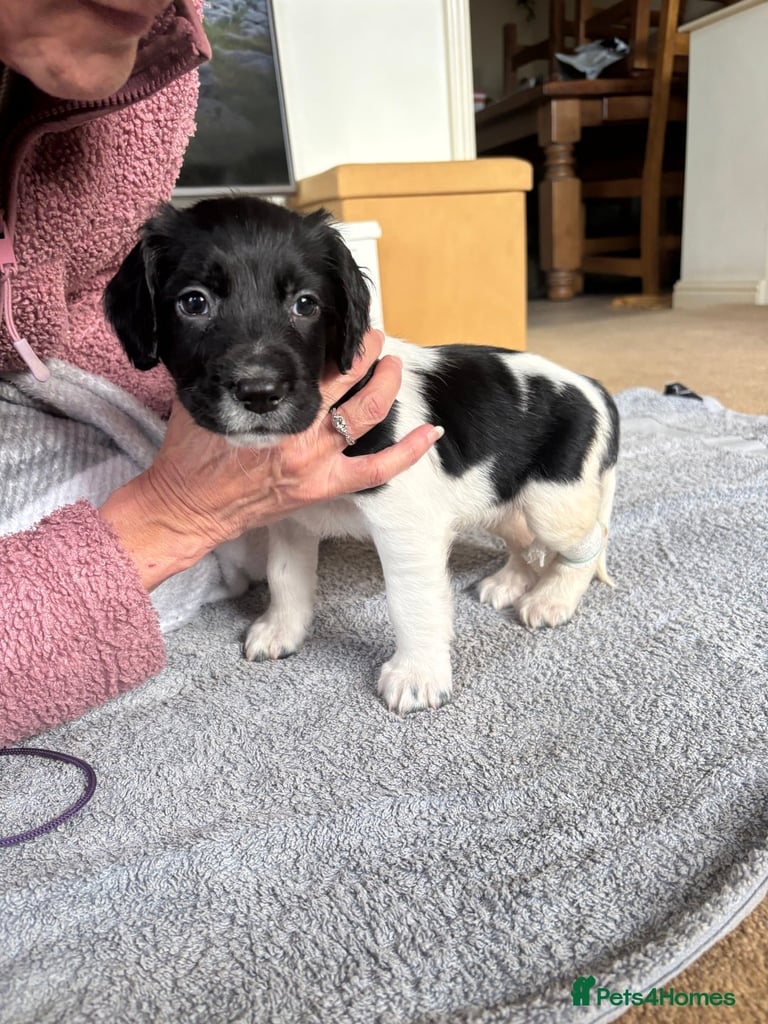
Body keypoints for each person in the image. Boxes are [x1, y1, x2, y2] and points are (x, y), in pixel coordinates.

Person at [0, 0, 441, 746]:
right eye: (198, 300)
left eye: (304, 303)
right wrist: (177, 511)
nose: (260, 370)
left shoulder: (145, 62)